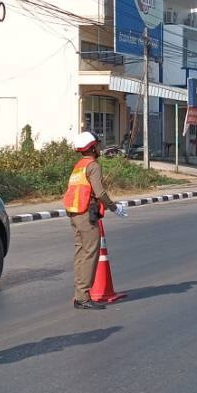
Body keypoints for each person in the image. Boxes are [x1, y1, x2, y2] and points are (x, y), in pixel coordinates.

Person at [64, 131, 125, 309]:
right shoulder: (93, 166)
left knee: (80, 254)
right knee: (90, 254)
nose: (99, 147)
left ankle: (79, 295)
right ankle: (83, 297)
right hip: (85, 214)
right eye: (97, 145)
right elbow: (100, 193)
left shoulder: (79, 166)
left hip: (74, 213)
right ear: (92, 147)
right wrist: (114, 207)